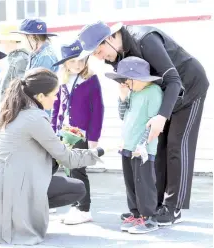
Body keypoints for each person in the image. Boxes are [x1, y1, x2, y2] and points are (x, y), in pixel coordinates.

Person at [77, 21, 209, 225]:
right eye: (94, 55)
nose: (99, 57)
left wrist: (162, 116)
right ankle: (153, 205)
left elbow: (174, 81)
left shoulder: (145, 40)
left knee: (176, 145)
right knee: (156, 146)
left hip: (189, 87)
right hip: (161, 94)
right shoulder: (115, 56)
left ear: (109, 38)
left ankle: (173, 208)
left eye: (98, 50)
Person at [0, 67, 105, 245]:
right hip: (8, 186)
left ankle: (16, 216)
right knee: (77, 188)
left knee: (49, 173)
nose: (56, 98)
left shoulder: (7, 111)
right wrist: (98, 152)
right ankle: (19, 219)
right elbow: (68, 158)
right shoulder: (34, 117)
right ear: (40, 96)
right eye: (54, 94)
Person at [105, 56, 163, 233]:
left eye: (126, 80)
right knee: (130, 181)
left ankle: (149, 217)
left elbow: (154, 123)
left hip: (142, 148)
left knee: (143, 183)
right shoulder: (133, 92)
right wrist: (122, 97)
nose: (124, 83)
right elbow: (124, 116)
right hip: (127, 146)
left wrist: (142, 145)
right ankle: (136, 213)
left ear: (137, 78)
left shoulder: (154, 92)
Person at [51, 39, 104, 225]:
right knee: (68, 170)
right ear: (65, 63)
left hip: (81, 134)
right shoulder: (62, 80)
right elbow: (56, 107)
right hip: (64, 132)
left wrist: (94, 138)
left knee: (78, 171)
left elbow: (98, 110)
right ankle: (75, 206)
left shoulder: (90, 80)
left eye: (81, 60)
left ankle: (84, 209)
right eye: (72, 61)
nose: (77, 64)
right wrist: (52, 131)